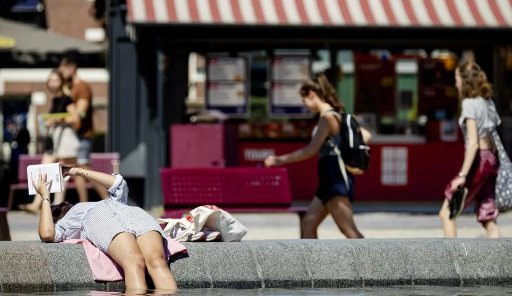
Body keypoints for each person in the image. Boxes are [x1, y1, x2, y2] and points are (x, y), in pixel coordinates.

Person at [34, 168, 177, 292]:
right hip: (99, 217)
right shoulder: (66, 222)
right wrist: (45, 197)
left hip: (132, 212)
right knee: (135, 262)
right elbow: (47, 234)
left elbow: (118, 183)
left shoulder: (96, 203)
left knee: (157, 261)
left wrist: (76, 171)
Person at [264, 74, 371, 239]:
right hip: (329, 179)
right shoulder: (338, 115)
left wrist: (280, 160)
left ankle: (374, 263)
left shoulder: (327, 118)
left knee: (349, 230)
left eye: (304, 100)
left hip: (335, 178)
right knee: (309, 224)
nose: (306, 105)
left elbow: (310, 150)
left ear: (312, 94)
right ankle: (312, 264)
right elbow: (366, 136)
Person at [439, 61, 501, 238]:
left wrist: (462, 176)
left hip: (479, 160)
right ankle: (499, 262)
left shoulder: (469, 104)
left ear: (464, 81)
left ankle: (452, 262)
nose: (455, 83)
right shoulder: (486, 102)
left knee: (447, 212)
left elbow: (473, 143)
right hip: (491, 160)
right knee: (488, 215)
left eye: (457, 78)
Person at [19, 70, 76, 213]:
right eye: (50, 80)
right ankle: (40, 204)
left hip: (64, 138)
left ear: (61, 81)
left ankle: (56, 205)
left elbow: (74, 117)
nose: (52, 83)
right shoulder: (56, 99)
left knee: (60, 172)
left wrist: (55, 120)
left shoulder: (67, 99)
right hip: (55, 139)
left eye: (55, 80)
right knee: (45, 169)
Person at [59, 56, 109, 202]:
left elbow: (82, 112)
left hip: (82, 134)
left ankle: (106, 197)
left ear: (71, 68)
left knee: (84, 168)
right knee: (78, 169)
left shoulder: (82, 87)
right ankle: (83, 202)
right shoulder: (69, 88)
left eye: (63, 71)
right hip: (73, 135)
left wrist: (62, 118)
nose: (62, 74)